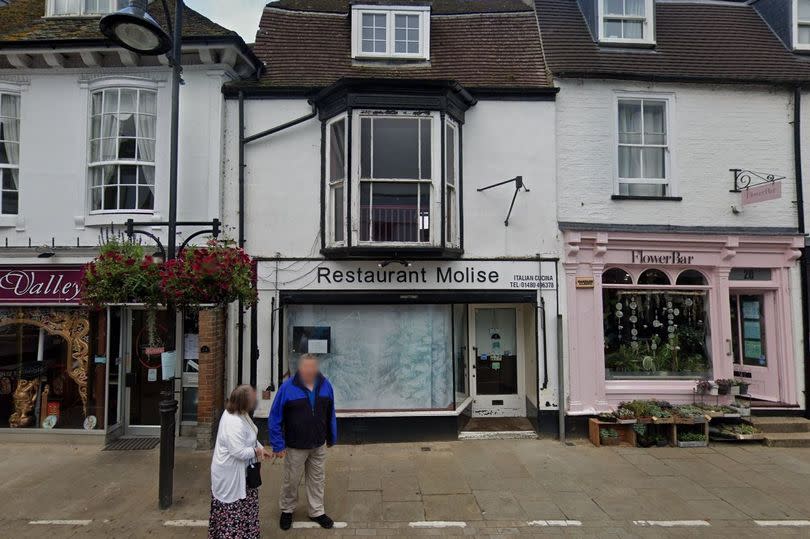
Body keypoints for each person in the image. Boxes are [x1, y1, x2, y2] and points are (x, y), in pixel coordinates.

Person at [269, 353, 337, 531]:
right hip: (295, 445)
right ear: (300, 368)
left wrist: (331, 436)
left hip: (318, 444)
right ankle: (287, 510)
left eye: (313, 367)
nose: (310, 370)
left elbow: (330, 413)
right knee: (291, 480)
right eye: (306, 367)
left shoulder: (326, 385)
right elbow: (275, 417)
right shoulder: (287, 388)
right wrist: (278, 444)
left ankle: (316, 511)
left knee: (317, 479)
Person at [208, 384, 271, 539]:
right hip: (231, 476)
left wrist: (261, 448)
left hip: (244, 474)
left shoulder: (241, 413)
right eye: (252, 397)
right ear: (244, 402)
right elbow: (238, 452)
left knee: (246, 508)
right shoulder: (233, 422)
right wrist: (257, 452)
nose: (255, 398)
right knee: (233, 513)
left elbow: (250, 437)